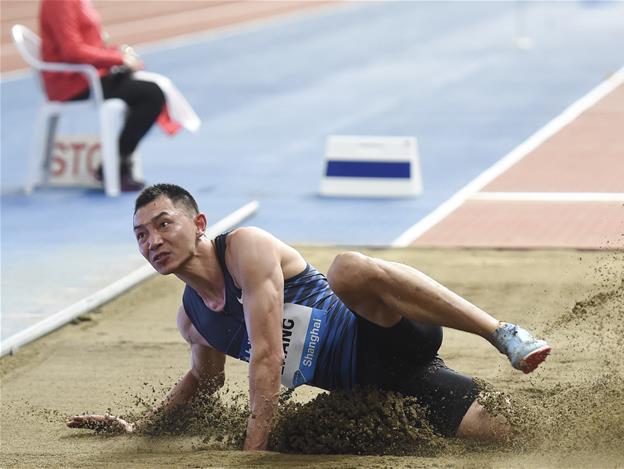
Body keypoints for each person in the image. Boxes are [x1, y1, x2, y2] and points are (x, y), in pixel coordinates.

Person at [67, 183, 552, 449]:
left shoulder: (246, 249)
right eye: (140, 235)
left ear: (198, 225)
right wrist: (143, 425)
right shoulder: (192, 320)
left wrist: (254, 451)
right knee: (510, 432)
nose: (151, 241)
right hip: (381, 387)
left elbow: (267, 356)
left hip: (385, 332)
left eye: (162, 224)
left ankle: (500, 332)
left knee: (349, 269)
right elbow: (204, 381)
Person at [40, 0, 165, 191]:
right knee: (151, 95)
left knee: (152, 88)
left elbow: (90, 42)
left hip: (89, 77)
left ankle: (115, 164)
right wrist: (118, 59)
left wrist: (117, 52)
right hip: (73, 83)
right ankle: (114, 165)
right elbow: (72, 50)